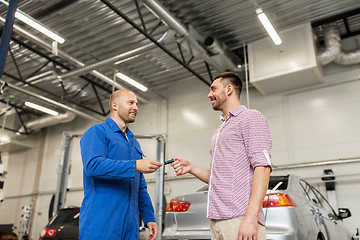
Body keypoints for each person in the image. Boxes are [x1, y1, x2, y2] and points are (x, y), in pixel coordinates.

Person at [171, 72, 272, 240]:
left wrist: (250, 218)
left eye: (213, 89)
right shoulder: (220, 131)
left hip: (240, 219)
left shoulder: (251, 118)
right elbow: (218, 178)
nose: (209, 94)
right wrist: (191, 168)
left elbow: (262, 168)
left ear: (229, 89)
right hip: (217, 221)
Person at [79, 90, 162, 240]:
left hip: (131, 224)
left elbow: (140, 186)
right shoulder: (97, 132)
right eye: (131, 102)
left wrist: (149, 217)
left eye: (137, 104)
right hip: (101, 221)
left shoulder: (133, 142)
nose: (136, 107)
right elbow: (93, 166)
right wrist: (135, 165)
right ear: (115, 105)